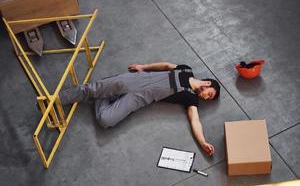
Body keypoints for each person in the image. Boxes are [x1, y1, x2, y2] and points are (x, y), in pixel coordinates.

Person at [59, 62, 220, 156]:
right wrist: (143, 66)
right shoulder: (185, 70)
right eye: (209, 94)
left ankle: (103, 94)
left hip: (141, 98)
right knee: (91, 89)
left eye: (209, 98)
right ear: (207, 84)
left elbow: (195, 121)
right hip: (137, 80)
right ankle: (57, 100)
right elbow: (165, 65)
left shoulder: (191, 98)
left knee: (105, 120)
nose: (206, 97)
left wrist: (203, 142)